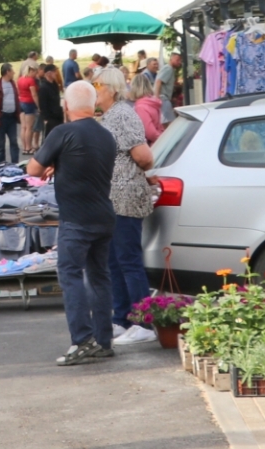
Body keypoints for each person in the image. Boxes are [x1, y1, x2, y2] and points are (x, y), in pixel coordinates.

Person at [28, 81, 118, 366]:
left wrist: (54, 161)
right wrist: (62, 163)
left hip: (76, 219)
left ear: (66, 106)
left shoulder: (62, 131)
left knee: (70, 275)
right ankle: (103, 341)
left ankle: (82, 340)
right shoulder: (106, 136)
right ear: (94, 106)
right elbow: (87, 164)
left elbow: (33, 169)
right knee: (100, 277)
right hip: (104, 215)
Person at [92, 69, 159, 346]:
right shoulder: (110, 116)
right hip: (112, 197)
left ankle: (144, 323)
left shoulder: (121, 114)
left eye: (96, 84)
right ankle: (122, 318)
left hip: (125, 196)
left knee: (127, 259)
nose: (93, 89)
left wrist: (134, 174)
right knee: (114, 260)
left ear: (110, 88)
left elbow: (144, 156)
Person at [0, 63, 21, 165]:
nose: (14, 72)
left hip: (12, 117)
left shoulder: (12, 83)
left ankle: (15, 164)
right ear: (7, 72)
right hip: (1, 118)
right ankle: (1, 165)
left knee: (14, 142)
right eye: (12, 71)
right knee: (0, 144)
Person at [129, 73, 164, 144]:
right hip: (158, 142)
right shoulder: (152, 102)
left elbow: (150, 133)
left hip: (152, 146)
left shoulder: (140, 107)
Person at [36, 63, 65, 141]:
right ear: (49, 73)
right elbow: (43, 104)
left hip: (58, 116)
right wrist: (46, 119)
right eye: (54, 71)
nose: (56, 73)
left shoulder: (55, 84)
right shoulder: (44, 87)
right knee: (50, 139)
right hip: (50, 119)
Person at [17, 63, 39, 154]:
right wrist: (38, 106)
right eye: (34, 72)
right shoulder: (31, 81)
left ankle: (24, 147)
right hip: (29, 103)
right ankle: (29, 147)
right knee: (29, 127)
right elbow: (34, 94)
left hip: (21, 102)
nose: (35, 74)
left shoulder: (20, 79)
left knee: (23, 127)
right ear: (30, 71)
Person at [157, 53, 181, 123]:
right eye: (178, 60)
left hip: (164, 99)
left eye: (180, 60)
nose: (179, 62)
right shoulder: (168, 68)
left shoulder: (169, 69)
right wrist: (156, 97)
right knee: (170, 124)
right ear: (171, 59)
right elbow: (158, 82)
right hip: (163, 99)